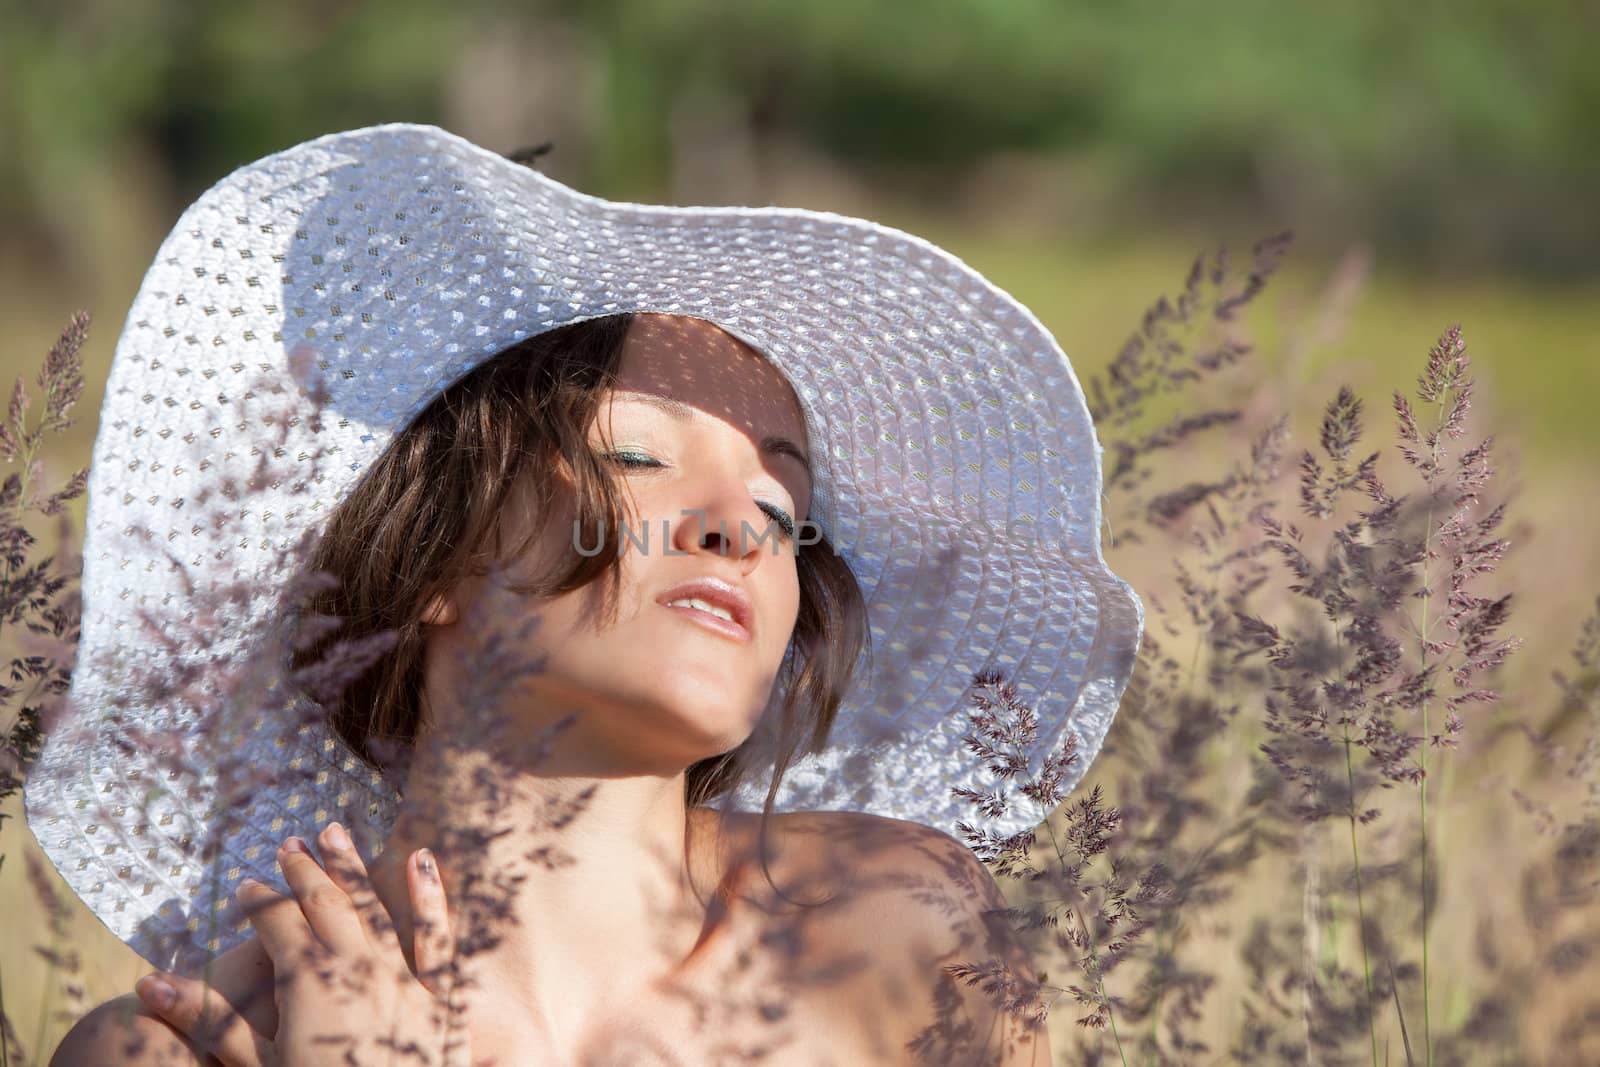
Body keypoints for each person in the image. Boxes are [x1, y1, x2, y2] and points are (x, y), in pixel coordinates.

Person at [32, 124, 1143, 1065]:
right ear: (434, 557)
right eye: (642, 457)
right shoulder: (188, 1041)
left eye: (783, 495)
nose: (742, 521)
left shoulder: (895, 920)